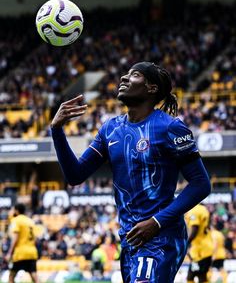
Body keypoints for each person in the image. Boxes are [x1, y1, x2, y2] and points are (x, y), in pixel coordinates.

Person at [51, 61, 211, 283]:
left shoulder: (170, 127)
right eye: (125, 75)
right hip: (130, 240)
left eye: (134, 75)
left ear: (152, 88)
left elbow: (201, 183)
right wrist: (57, 131)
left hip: (162, 236)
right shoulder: (110, 129)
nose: (124, 79)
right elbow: (75, 175)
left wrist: (156, 222)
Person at [5, 203, 39, 283]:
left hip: (20, 253)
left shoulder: (16, 220)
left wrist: (9, 253)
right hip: (32, 252)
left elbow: (15, 238)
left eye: (13, 209)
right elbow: (35, 238)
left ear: (16, 211)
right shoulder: (30, 221)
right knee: (34, 276)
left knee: (11, 276)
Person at [185, 203, 214, 283]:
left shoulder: (194, 210)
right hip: (206, 247)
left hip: (200, 251)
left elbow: (195, 229)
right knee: (202, 276)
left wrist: (186, 243)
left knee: (190, 277)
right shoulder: (203, 208)